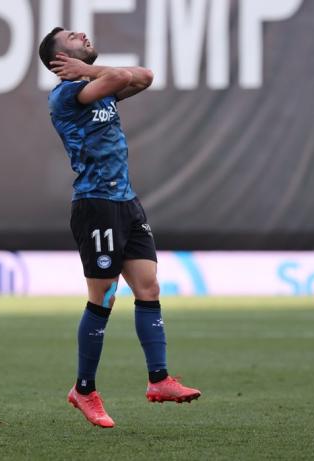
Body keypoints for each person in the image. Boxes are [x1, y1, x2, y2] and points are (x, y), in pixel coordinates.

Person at [38, 27, 201, 428]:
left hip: (126, 202)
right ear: (62, 60)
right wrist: (90, 73)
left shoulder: (99, 86)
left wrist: (92, 71)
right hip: (96, 205)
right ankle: (84, 389)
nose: (83, 35)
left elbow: (143, 75)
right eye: (73, 38)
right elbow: (119, 78)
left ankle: (159, 379)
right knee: (104, 297)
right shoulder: (66, 95)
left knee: (148, 287)